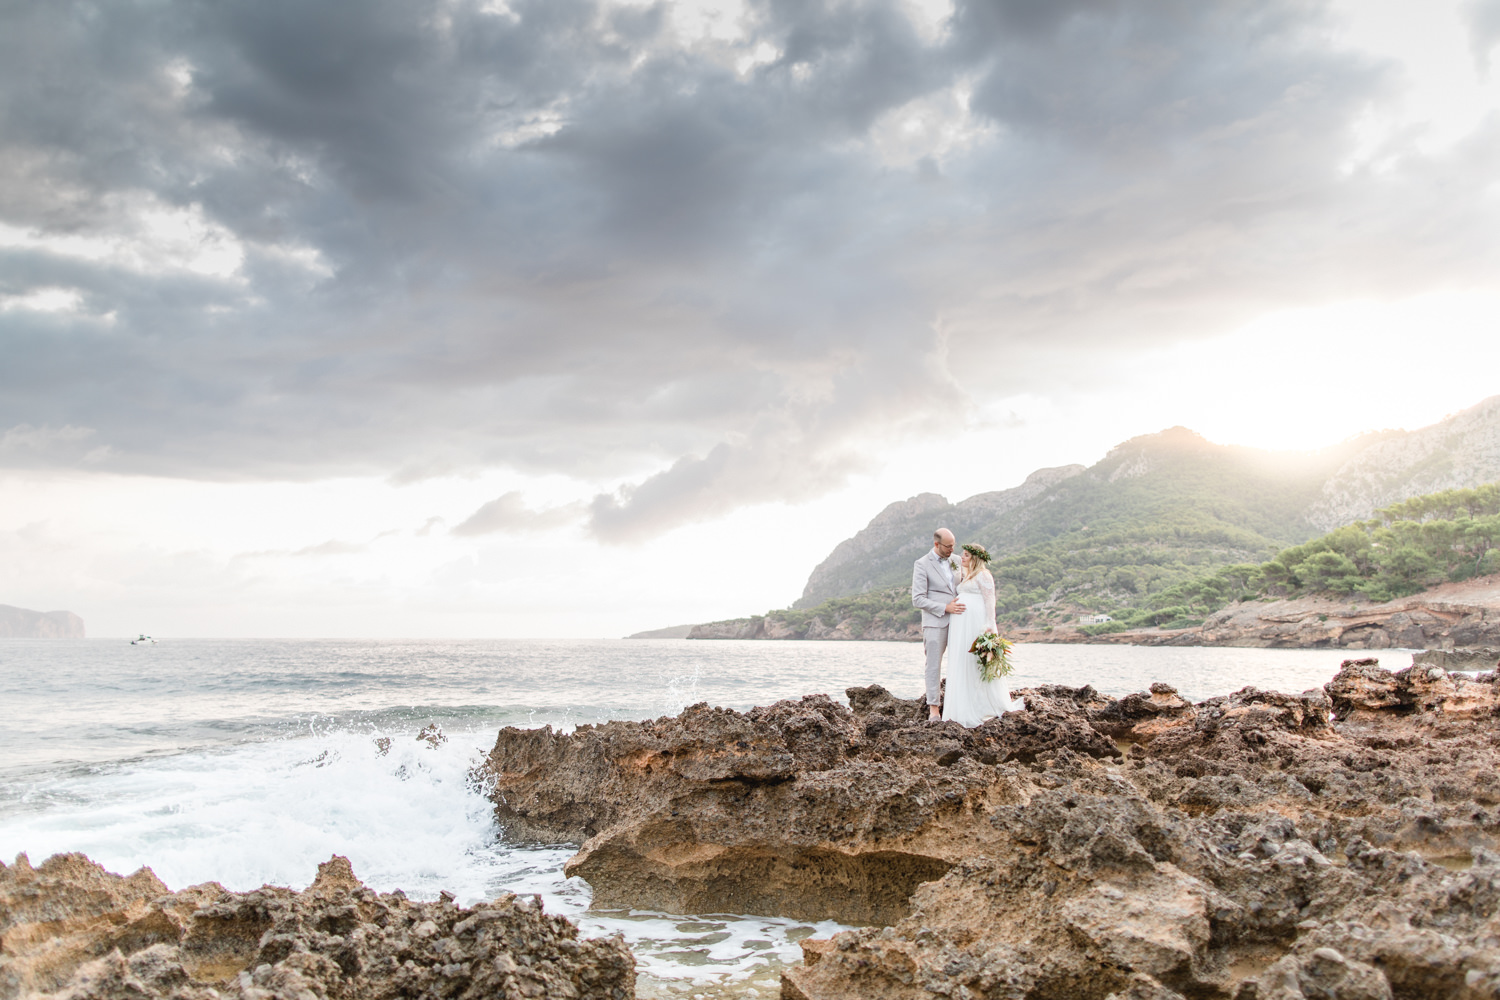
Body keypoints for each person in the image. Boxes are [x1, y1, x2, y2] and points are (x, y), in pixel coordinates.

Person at [942, 543, 1025, 727]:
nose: (961, 558)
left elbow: (990, 600)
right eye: (962, 555)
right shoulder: (966, 575)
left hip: (976, 625)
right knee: (963, 661)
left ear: (975, 558)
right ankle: (963, 705)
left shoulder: (983, 574)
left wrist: (989, 625)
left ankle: (983, 706)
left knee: (977, 663)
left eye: (966, 555)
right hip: (961, 626)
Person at [911, 527, 966, 724]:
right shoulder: (922, 564)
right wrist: (945, 607)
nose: (952, 549)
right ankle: (934, 708)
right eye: (948, 546)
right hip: (935, 622)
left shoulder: (958, 561)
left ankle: (961, 704)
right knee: (933, 665)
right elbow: (917, 599)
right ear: (936, 544)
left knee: (962, 662)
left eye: (954, 545)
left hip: (960, 621)